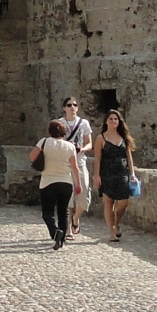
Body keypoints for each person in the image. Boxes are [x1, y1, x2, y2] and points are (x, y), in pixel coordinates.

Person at [29, 120, 82, 250]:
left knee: (47, 213)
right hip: (66, 182)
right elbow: (75, 167)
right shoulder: (70, 146)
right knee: (63, 212)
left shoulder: (44, 142)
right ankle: (62, 239)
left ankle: (55, 232)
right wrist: (78, 184)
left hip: (48, 182)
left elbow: (32, 156)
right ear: (64, 132)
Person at [92, 109, 137, 242]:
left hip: (122, 173)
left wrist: (132, 174)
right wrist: (96, 176)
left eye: (116, 119)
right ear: (106, 121)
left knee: (124, 202)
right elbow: (97, 157)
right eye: (111, 119)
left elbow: (129, 157)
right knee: (108, 202)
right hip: (107, 174)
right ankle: (112, 231)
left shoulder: (124, 137)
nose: (113, 121)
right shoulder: (101, 138)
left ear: (119, 122)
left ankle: (116, 223)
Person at [59, 96, 93, 237]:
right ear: (64, 108)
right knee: (67, 195)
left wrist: (82, 149)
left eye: (74, 104)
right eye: (69, 105)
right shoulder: (59, 123)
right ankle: (67, 229)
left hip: (80, 161)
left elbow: (89, 143)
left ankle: (76, 217)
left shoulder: (84, 123)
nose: (72, 107)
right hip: (65, 163)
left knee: (84, 192)